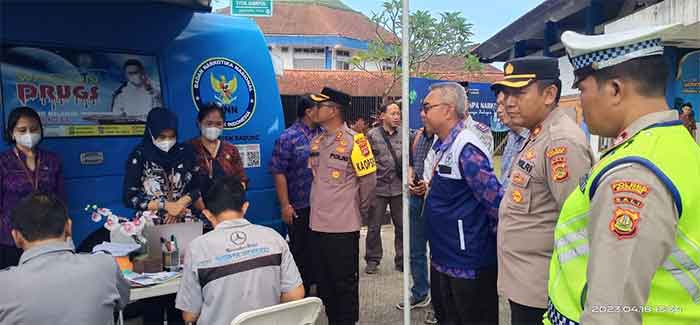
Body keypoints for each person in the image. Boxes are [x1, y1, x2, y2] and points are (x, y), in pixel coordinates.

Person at [546, 25, 700, 325]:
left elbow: (611, 314)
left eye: (582, 89)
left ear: (615, 89)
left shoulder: (635, 173)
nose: (580, 102)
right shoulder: (674, 144)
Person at [494, 57, 594, 325]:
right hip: (525, 282)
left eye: (519, 92)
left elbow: (579, 223)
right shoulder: (537, 134)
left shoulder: (560, 142)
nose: (508, 101)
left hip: (543, 289)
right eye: (507, 93)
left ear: (549, 94)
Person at [421, 82, 503, 324]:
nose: (423, 113)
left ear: (447, 110)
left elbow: (495, 202)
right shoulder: (443, 145)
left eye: (427, 107)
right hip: (444, 258)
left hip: (467, 265)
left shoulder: (466, 147)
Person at [176, 175, 304, 325]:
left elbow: (190, 315)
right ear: (245, 207)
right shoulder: (273, 238)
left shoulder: (198, 248)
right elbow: (295, 294)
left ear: (207, 214)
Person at [0, 192, 130, 324]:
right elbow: (122, 301)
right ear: (68, 227)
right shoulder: (105, 266)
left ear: (16, 237)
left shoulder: (4, 285)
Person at [123, 107, 200, 324]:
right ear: (151, 133)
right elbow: (129, 197)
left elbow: (197, 188)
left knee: (181, 292)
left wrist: (181, 205)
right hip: (152, 228)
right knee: (153, 294)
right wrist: (166, 206)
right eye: (162, 137)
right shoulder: (139, 156)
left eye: (171, 136)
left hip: (184, 225)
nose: (167, 141)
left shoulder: (186, 152)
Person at [308, 87, 376, 325]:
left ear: (334, 110)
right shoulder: (316, 141)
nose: (314, 110)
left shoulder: (356, 142)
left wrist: (356, 209)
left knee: (344, 285)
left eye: (319, 106)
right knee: (324, 284)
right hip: (317, 225)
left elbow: (369, 182)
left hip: (343, 227)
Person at [0, 106, 64, 269]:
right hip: (13, 238)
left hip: (49, 236)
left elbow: (61, 197)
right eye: (22, 130)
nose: (29, 134)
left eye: (34, 129)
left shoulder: (51, 159)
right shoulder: (3, 162)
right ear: (11, 133)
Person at [270, 94, 320, 295]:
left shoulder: (324, 133)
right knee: (301, 251)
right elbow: (278, 172)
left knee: (321, 250)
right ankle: (302, 293)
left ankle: (320, 288)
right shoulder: (288, 137)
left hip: (323, 206)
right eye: (319, 108)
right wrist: (285, 205)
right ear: (308, 111)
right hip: (299, 206)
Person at [394, 115, 434, 312]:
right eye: (423, 108)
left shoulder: (447, 138)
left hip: (436, 202)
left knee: (439, 252)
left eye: (429, 108)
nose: (424, 114)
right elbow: (410, 163)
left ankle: (440, 299)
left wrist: (429, 186)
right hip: (415, 200)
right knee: (416, 250)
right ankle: (420, 292)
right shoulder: (418, 136)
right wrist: (410, 177)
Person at [189, 103, 247, 228]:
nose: (213, 127)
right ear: (199, 124)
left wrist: (234, 201)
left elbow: (242, 179)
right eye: (209, 123)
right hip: (197, 216)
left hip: (227, 216)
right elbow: (182, 182)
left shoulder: (230, 150)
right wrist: (197, 202)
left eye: (218, 124)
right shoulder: (188, 149)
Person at [364, 101, 403, 274]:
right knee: (374, 227)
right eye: (393, 113)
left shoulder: (406, 134)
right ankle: (372, 259)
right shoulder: (371, 135)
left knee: (402, 226)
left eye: (398, 113)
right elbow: (366, 163)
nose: (397, 117)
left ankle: (402, 259)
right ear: (382, 116)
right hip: (378, 189)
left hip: (399, 189)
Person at [493, 88, 530, 186]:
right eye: (497, 105)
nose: (499, 111)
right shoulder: (512, 136)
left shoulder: (536, 138)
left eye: (503, 104)